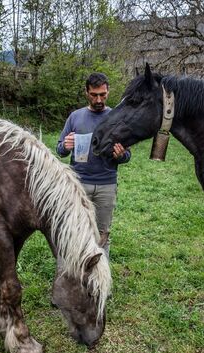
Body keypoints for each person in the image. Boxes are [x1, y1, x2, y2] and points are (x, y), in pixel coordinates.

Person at [56, 72, 131, 257]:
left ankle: (101, 279)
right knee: (75, 232)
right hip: (79, 184)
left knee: (102, 235)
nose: (99, 99)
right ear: (86, 92)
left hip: (106, 185)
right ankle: (73, 274)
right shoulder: (75, 117)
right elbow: (59, 149)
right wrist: (66, 146)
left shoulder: (116, 117)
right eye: (94, 95)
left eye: (103, 95)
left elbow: (127, 155)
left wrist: (121, 155)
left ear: (108, 91)